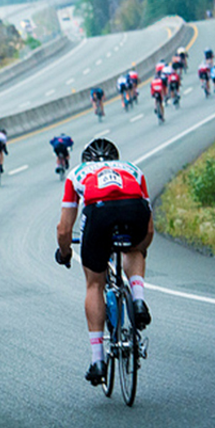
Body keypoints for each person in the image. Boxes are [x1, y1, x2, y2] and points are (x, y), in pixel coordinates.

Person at [54, 138, 154, 385]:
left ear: (86, 161)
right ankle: (139, 301)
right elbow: (149, 226)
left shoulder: (76, 173)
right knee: (133, 250)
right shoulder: (133, 169)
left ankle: (98, 359)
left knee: (94, 285)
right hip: (135, 210)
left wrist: (65, 253)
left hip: (99, 212)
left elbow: (64, 229)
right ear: (115, 159)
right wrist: (141, 249)